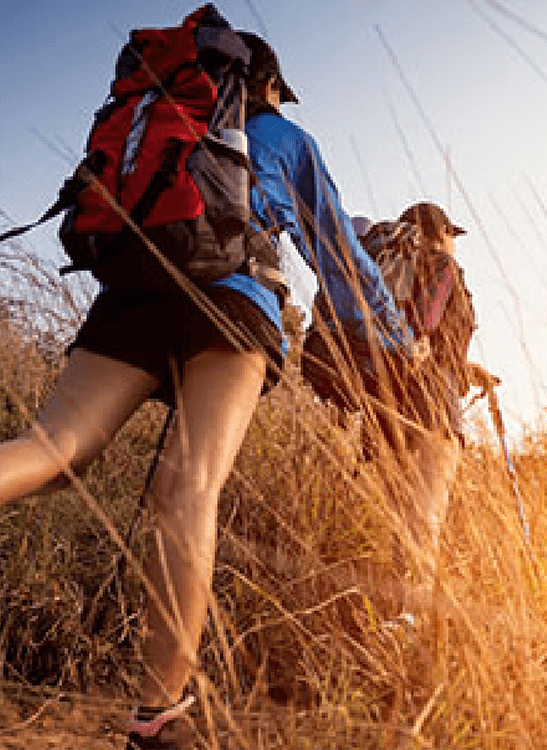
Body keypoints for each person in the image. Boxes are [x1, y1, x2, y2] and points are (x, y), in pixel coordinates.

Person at [0, 30, 418, 750]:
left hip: (134, 294)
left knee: (51, 447)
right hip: (235, 302)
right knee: (190, 490)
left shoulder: (162, 116)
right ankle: (158, 718)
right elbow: (339, 256)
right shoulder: (285, 138)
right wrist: (386, 339)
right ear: (268, 85)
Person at [301, 201, 480, 619]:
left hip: (386, 415)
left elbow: (419, 343)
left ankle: (394, 617)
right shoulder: (442, 267)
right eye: (452, 236)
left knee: (403, 525)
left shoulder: (387, 273)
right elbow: (426, 327)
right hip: (433, 410)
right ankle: (408, 624)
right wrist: (431, 345)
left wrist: (470, 370)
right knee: (424, 520)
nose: (454, 245)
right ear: (442, 232)